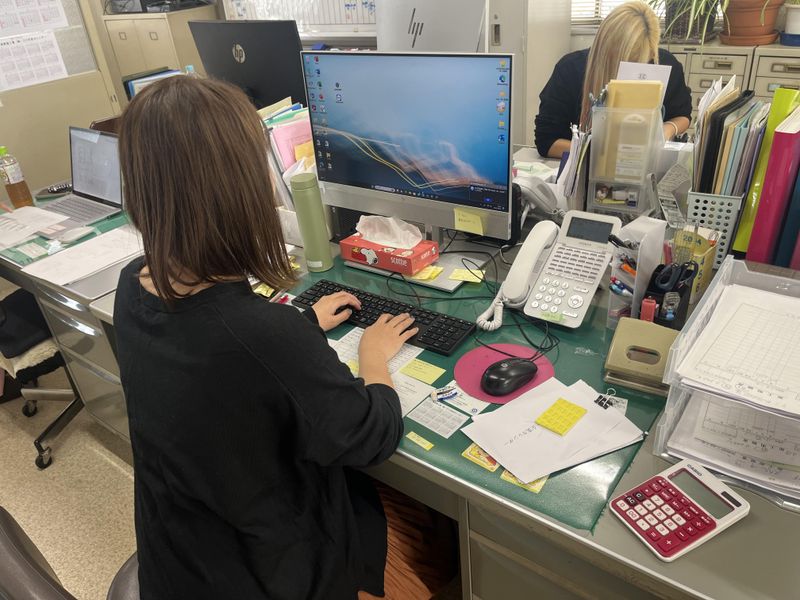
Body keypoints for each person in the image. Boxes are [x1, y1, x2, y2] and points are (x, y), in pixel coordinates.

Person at [114, 76, 454, 599]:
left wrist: (302, 324)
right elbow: (372, 436)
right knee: (443, 536)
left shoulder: (134, 282)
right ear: (242, 190)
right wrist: (374, 357)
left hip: (183, 564)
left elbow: (220, 370)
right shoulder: (260, 335)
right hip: (267, 576)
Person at [534, 1, 692, 159]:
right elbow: (547, 142)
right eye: (631, 61)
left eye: (647, 59)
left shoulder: (666, 64)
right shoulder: (569, 69)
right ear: (609, 53)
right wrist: (598, 154)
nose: (638, 69)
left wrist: (668, 129)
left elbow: (682, 115)